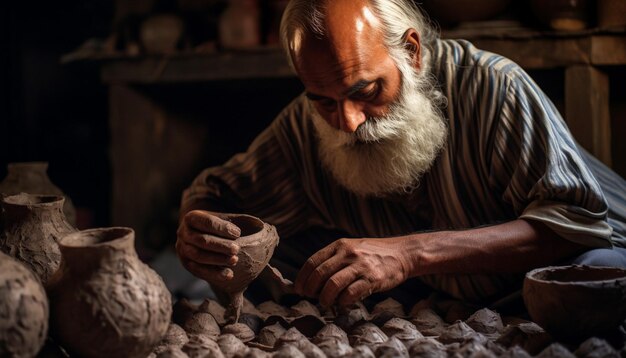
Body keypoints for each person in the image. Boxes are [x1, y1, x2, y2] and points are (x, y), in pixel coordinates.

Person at [176, 0, 626, 308]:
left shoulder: (494, 86)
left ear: (410, 53)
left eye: (366, 91)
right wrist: (203, 235)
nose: (348, 121)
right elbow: (217, 195)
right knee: (278, 257)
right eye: (324, 100)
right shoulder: (309, 121)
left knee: (595, 282)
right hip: (448, 299)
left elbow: (574, 226)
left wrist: (410, 254)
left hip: (589, 258)